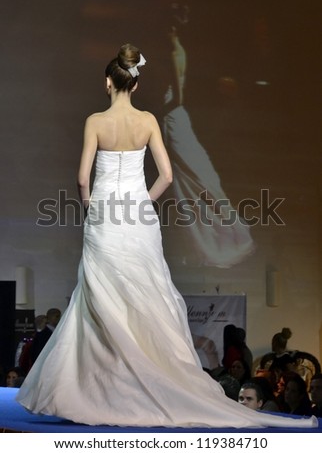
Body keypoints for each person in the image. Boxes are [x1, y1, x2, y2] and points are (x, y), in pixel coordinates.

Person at [16, 44, 317, 429]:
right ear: (135, 85)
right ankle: (141, 383)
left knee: (101, 297)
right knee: (144, 294)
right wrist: (143, 201)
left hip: (105, 215)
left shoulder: (94, 121)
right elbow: (168, 176)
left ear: (108, 82)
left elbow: (81, 178)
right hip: (138, 216)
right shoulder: (147, 121)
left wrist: (91, 208)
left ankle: (98, 390)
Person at [162, 4, 255, 268]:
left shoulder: (172, 51)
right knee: (189, 177)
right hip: (170, 116)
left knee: (195, 175)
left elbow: (178, 96)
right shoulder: (175, 49)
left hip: (171, 116)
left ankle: (227, 233)